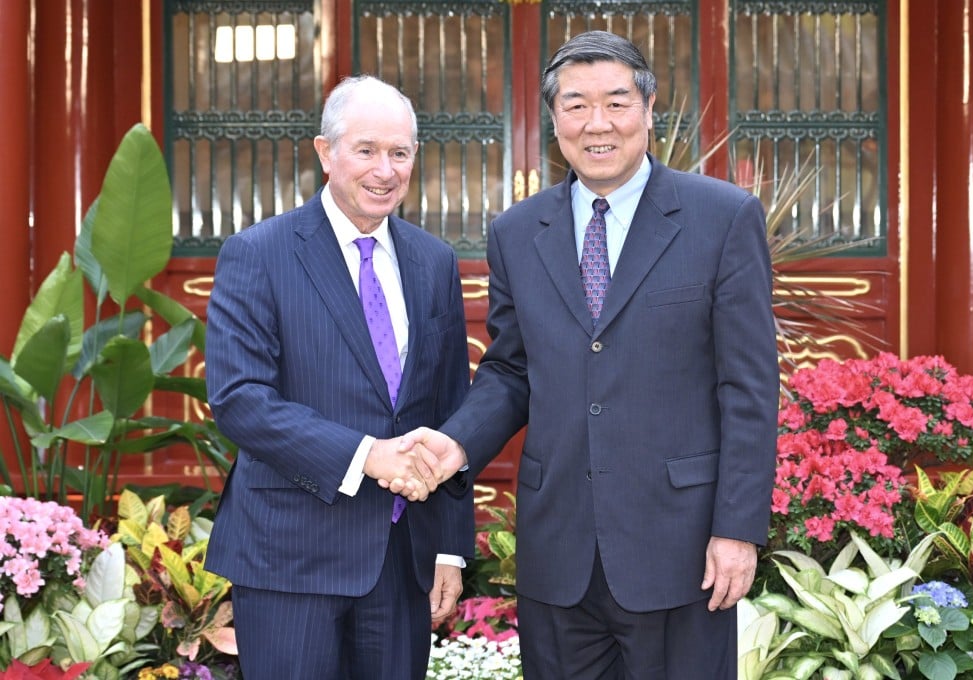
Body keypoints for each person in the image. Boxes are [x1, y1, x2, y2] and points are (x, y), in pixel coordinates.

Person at [402, 30, 779, 679]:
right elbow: (512, 369)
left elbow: (747, 388)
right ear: (554, 120)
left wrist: (737, 529)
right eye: (576, 105)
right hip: (559, 552)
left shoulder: (723, 219)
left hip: (682, 549)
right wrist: (456, 444)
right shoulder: (517, 232)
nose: (596, 124)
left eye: (616, 103)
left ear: (649, 111)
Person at [203, 74, 474, 680]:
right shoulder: (259, 252)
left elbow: (452, 408)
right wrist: (366, 456)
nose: (385, 169)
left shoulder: (433, 262)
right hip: (290, 558)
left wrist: (450, 549)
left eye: (400, 153)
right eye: (367, 150)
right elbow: (240, 399)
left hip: (404, 560)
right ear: (326, 153)